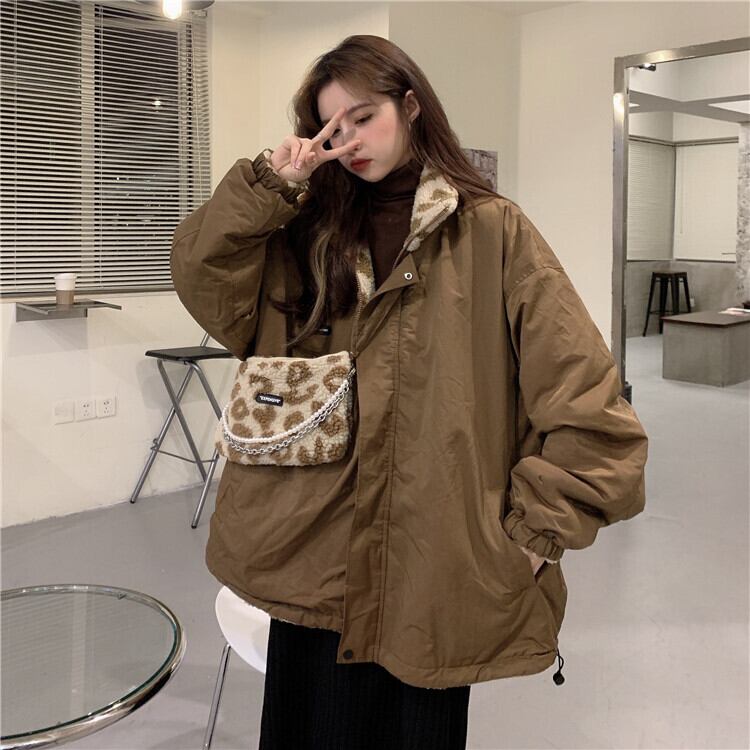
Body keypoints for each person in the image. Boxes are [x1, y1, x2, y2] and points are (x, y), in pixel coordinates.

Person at [170, 34, 648, 750]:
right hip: (312, 556)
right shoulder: (305, 234)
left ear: (412, 106)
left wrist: (533, 538)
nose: (349, 142)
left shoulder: (491, 231)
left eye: (364, 117)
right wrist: (271, 185)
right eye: (331, 127)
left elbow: (589, 404)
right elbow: (203, 277)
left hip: (436, 563)